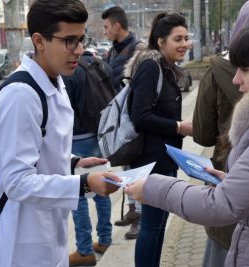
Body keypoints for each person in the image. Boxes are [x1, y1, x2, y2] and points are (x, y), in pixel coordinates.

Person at [126, 17, 249, 266]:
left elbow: (222, 205)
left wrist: (151, 187)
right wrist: (231, 181)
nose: (236, 79)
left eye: (246, 70)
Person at [0, 1, 120, 266]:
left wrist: (73, 162)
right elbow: (17, 181)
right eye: (69, 40)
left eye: (81, 39)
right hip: (21, 244)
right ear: (39, 41)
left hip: (47, 231)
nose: (79, 50)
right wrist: (83, 183)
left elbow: (38, 147)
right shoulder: (20, 96)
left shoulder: (54, 81)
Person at [193, 1, 249, 266]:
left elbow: (202, 134)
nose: (238, 81)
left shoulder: (218, 71)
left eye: (246, 71)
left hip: (228, 192)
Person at [124, 12, 192, 267]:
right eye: (178, 39)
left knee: (159, 225)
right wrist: (178, 127)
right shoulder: (151, 67)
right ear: (161, 41)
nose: (184, 43)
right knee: (151, 227)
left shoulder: (166, 67)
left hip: (164, 159)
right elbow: (139, 116)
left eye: (186, 37)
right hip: (151, 162)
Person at [63, 48, 114, 266]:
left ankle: (84, 249)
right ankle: (105, 239)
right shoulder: (102, 65)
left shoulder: (71, 72)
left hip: (77, 140)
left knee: (80, 194)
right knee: (101, 188)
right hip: (98, 135)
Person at [101, 5, 144, 239]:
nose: (105, 31)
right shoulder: (112, 52)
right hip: (120, 118)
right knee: (127, 167)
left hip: (133, 120)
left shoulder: (138, 50)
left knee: (137, 169)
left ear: (117, 26)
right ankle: (131, 210)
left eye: (107, 27)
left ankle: (140, 218)